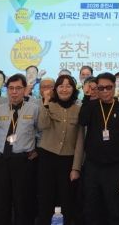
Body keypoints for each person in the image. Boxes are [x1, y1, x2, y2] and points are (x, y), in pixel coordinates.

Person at [79, 72, 119, 224]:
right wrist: (87, 96)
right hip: (93, 166)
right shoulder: (91, 106)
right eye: (101, 88)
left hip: (115, 167)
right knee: (91, 208)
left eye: (108, 87)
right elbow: (82, 120)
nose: (105, 91)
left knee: (115, 208)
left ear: (114, 87)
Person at [0, 73, 39, 225]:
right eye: (11, 88)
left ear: (25, 89)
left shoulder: (34, 109)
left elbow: (42, 131)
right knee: (1, 202)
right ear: (7, 90)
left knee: (23, 202)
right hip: (2, 161)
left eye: (18, 88)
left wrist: (37, 149)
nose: (14, 92)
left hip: (23, 161)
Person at [37, 75, 84, 225]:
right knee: (46, 199)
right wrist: (46, 101)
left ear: (73, 89)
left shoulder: (79, 109)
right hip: (47, 158)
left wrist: (76, 168)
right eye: (61, 86)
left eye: (68, 86)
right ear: (55, 89)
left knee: (66, 200)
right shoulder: (48, 105)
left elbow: (80, 141)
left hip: (67, 161)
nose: (64, 89)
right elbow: (42, 125)